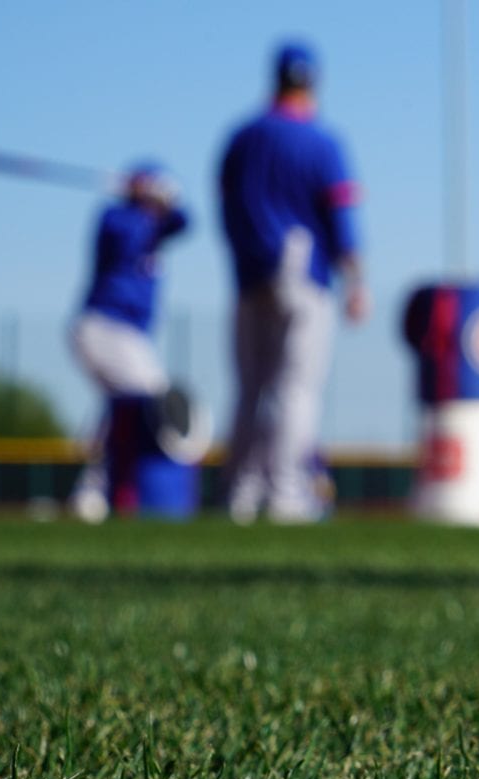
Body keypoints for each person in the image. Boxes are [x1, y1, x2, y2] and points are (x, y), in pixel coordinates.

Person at [218, 40, 367, 523]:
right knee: (295, 389)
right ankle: (285, 495)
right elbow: (343, 218)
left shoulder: (241, 138)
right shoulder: (322, 142)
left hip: (250, 273)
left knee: (250, 387)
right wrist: (356, 280)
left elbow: (225, 209)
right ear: (313, 83)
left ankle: (239, 495)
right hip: (303, 273)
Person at [66, 161, 190, 523]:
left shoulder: (159, 226)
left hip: (133, 335)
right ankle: (99, 490)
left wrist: (160, 196)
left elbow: (186, 221)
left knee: (131, 407)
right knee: (146, 401)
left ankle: (99, 492)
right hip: (104, 325)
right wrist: (136, 195)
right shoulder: (118, 218)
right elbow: (127, 235)